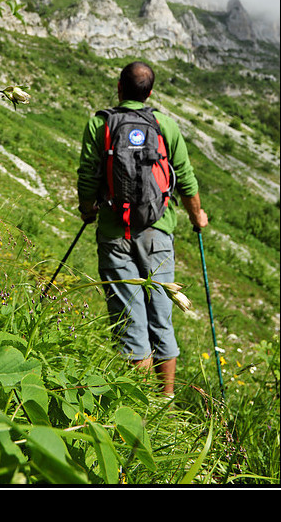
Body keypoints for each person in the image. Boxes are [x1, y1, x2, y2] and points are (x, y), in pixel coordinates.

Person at [77, 61, 208, 396]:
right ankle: (166, 400)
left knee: (129, 318)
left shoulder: (100, 123)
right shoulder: (165, 125)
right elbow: (186, 179)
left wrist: (88, 209)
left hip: (114, 231)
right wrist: (197, 217)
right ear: (150, 92)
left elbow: (89, 175)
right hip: (158, 231)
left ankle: (137, 403)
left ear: (120, 88)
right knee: (162, 313)